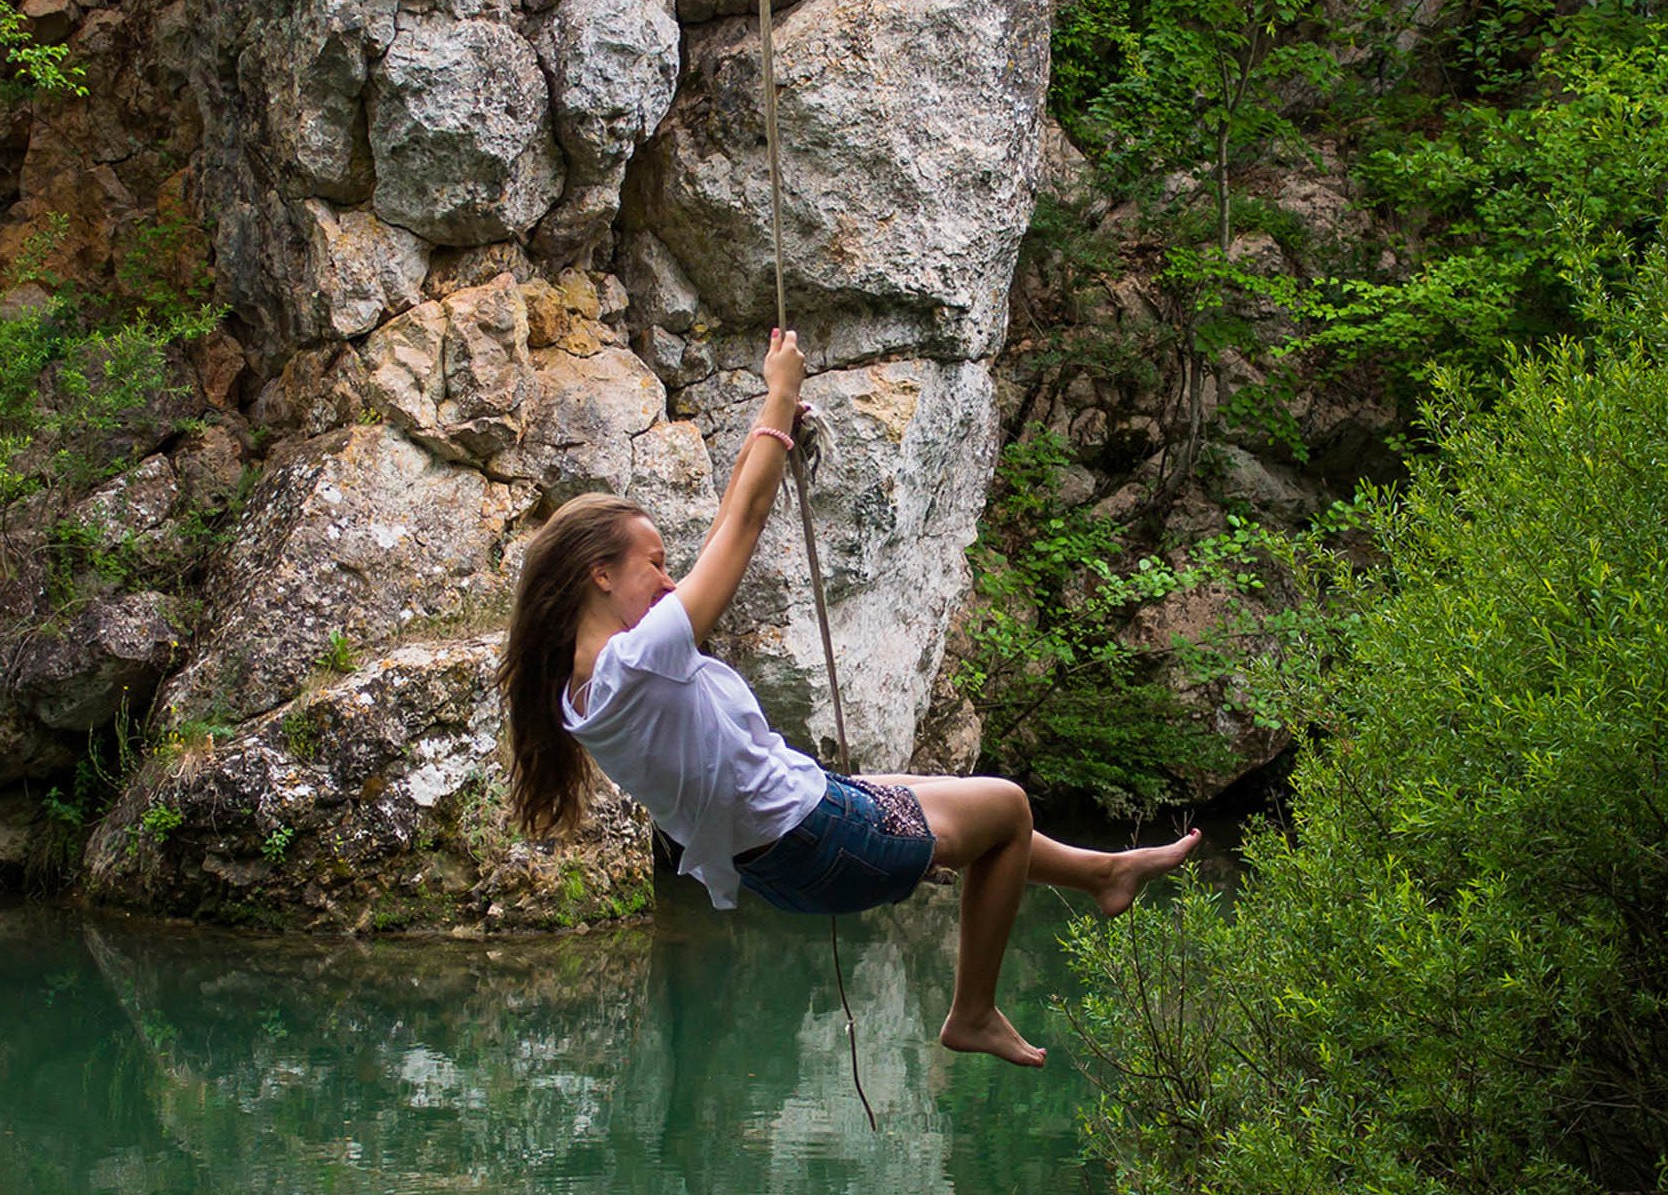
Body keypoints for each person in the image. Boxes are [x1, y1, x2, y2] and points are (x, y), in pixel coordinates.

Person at [496, 327, 1199, 1068]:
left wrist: (768, 438)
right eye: (654, 564)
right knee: (1009, 808)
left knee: (953, 804)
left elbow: (719, 535)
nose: (671, 581)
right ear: (599, 575)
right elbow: (744, 525)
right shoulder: (639, 661)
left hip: (782, 845)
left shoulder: (584, 690)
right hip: (816, 835)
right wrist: (781, 389)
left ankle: (1101, 874)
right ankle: (973, 1010)